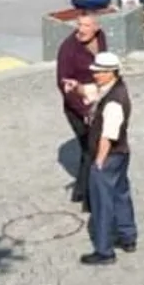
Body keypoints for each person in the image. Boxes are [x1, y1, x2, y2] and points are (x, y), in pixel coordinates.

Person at [80, 51, 137, 265]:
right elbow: (93, 92)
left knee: (102, 204)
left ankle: (104, 251)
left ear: (111, 72)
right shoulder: (116, 88)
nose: (95, 74)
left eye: (99, 72)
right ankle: (128, 237)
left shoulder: (114, 101)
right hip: (122, 154)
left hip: (109, 157)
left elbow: (108, 135)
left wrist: (99, 162)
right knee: (122, 195)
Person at [56, 12, 106, 209]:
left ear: (96, 27)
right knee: (93, 149)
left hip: (97, 100)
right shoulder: (68, 49)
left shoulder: (100, 39)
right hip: (78, 107)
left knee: (90, 149)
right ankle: (89, 200)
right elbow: (64, 84)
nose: (81, 29)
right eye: (79, 25)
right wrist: (85, 111)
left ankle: (80, 192)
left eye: (86, 26)